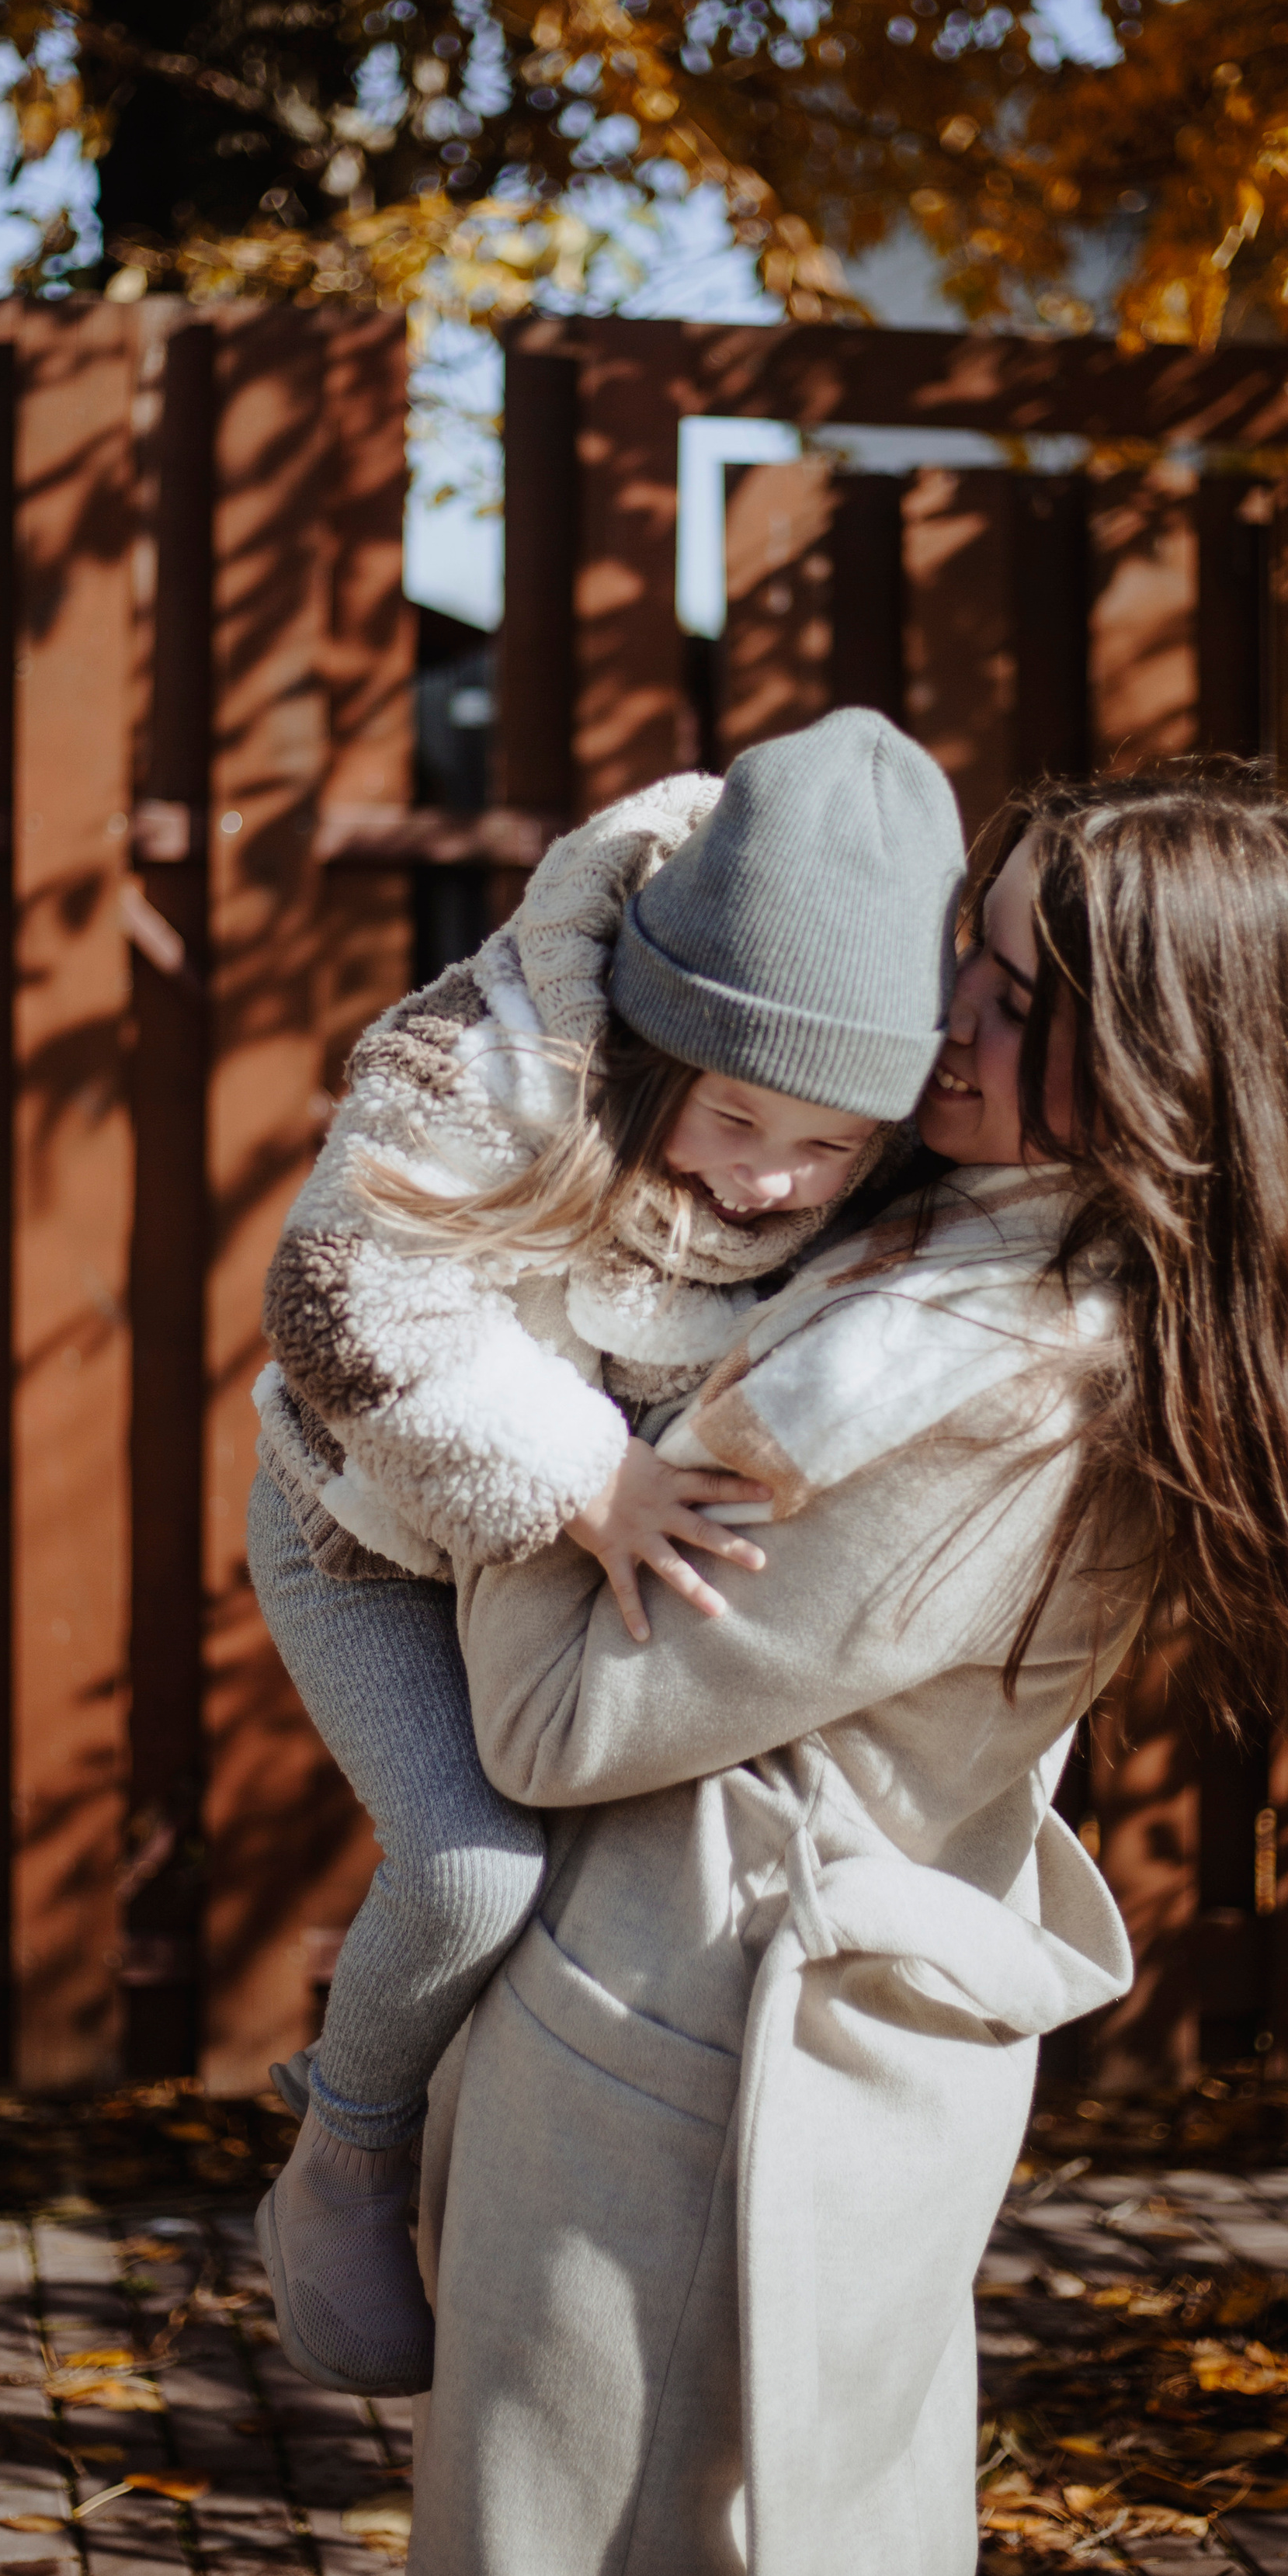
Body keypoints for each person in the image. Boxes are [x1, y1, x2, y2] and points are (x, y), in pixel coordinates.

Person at [402, 764, 1288, 2576]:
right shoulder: (981, 1224)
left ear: (1175, 1060)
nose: (953, 1025)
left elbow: (557, 1727)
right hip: (721, 2036)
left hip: (692, 2078)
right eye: (968, 959)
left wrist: (505, 1402)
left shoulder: (988, 1393)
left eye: (1020, 998)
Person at [248, 708, 965, 2396]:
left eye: (830, 1145)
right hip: (360, 1532)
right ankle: (340, 2161)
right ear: (652, 1043)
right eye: (734, 1117)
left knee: (627, 1892)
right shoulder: (501, 1053)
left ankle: (518, 2210)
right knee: (471, 1868)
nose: (774, 1175)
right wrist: (583, 1475)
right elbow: (335, 1293)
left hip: (565, 1571)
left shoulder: (842, 1161)